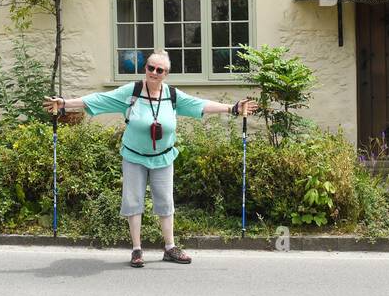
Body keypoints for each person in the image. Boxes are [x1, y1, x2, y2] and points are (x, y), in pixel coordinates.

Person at [43, 50, 258, 268]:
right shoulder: (132, 92)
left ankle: (170, 247)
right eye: (150, 68)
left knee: (165, 202)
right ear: (145, 68)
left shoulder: (172, 95)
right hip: (134, 156)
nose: (154, 72)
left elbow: (199, 105)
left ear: (166, 73)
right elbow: (99, 99)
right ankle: (136, 249)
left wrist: (232, 108)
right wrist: (65, 103)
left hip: (163, 158)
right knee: (133, 201)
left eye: (159, 70)